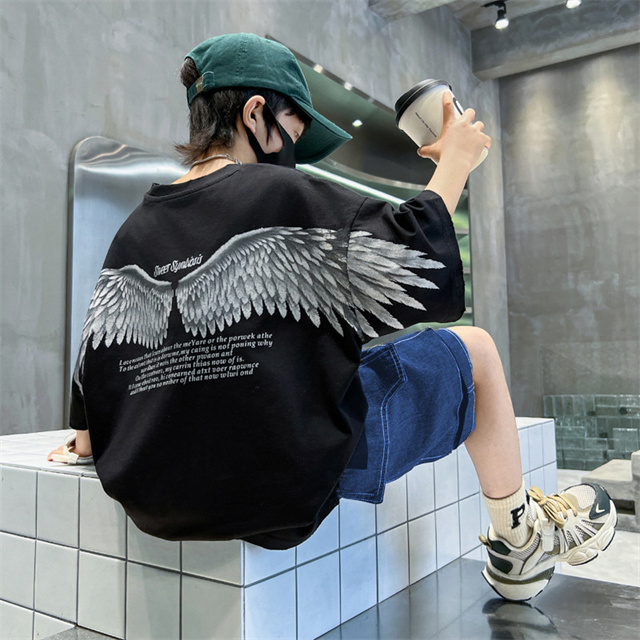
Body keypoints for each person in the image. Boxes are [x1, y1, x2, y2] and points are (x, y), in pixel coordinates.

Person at [48, 33, 616, 601]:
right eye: (294, 134)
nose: (294, 153)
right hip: (282, 488)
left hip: (156, 501)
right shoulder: (282, 195)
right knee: (476, 352)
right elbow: (415, 260)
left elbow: (91, 395)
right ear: (255, 114)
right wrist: (457, 161)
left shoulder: (131, 233)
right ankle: (521, 541)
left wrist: (88, 443)